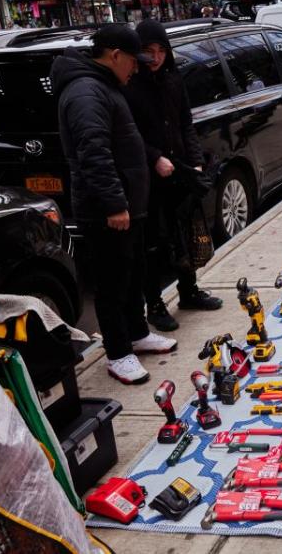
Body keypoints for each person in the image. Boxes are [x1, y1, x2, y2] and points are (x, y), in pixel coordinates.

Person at [53, 24, 178, 385]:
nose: (137, 69)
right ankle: (119, 353)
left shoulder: (105, 85)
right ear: (115, 56)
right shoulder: (85, 92)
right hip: (106, 210)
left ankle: (137, 333)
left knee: (132, 274)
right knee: (111, 283)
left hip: (128, 204)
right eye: (133, 62)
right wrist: (113, 204)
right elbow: (94, 154)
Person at [123, 19, 223, 334]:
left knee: (186, 233)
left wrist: (194, 162)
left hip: (179, 170)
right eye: (148, 51)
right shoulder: (130, 85)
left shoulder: (173, 80)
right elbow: (129, 134)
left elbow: (185, 124)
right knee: (155, 241)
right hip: (148, 178)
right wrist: (155, 158)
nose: (155, 58)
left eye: (161, 51)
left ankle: (189, 290)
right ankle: (154, 304)